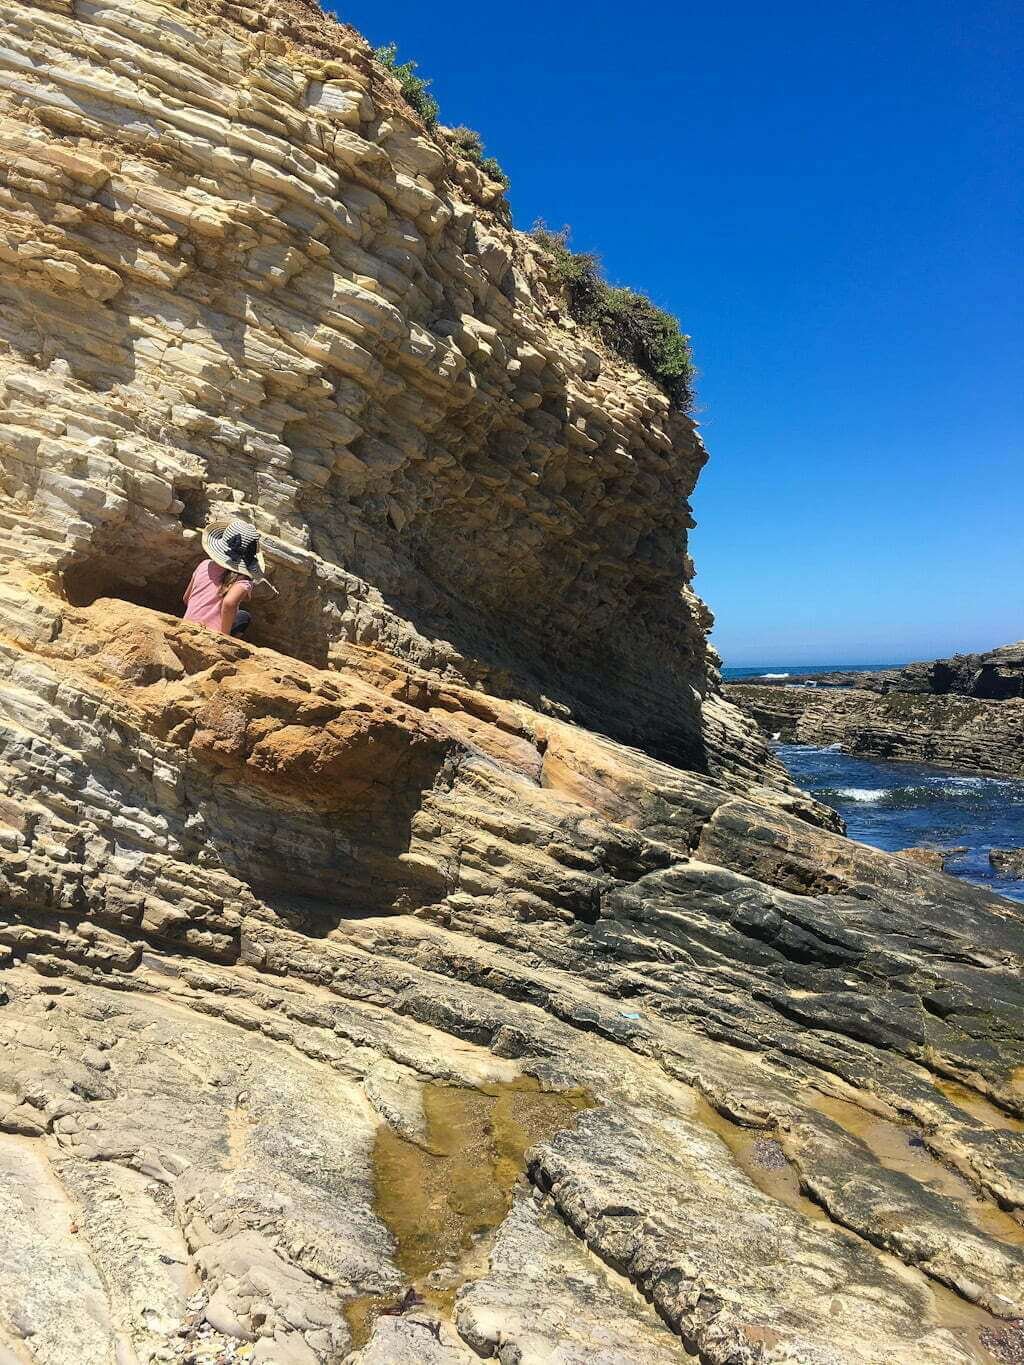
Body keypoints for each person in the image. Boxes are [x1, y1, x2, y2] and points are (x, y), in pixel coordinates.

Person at [183, 519, 266, 637]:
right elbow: (229, 603)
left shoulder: (205, 564)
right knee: (244, 617)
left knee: (240, 615)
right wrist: (224, 636)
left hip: (188, 623)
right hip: (213, 633)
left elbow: (187, 598)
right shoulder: (243, 581)